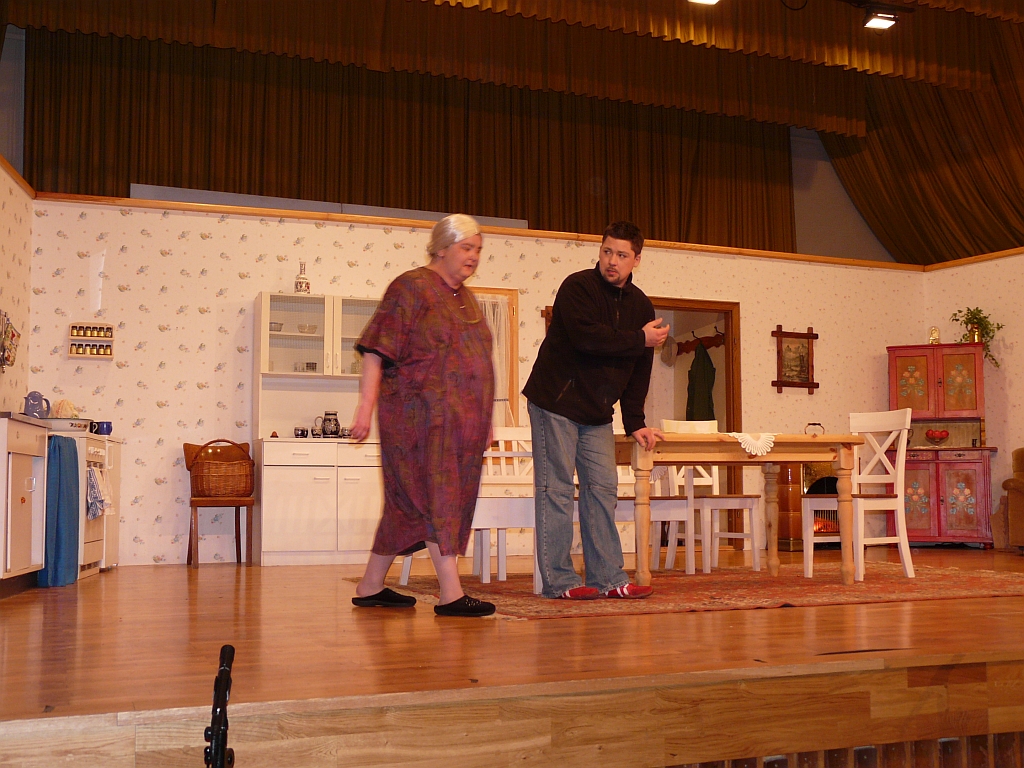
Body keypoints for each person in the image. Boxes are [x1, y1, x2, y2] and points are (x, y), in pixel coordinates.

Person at [349, 214, 496, 618]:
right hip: (418, 421)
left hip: (460, 425)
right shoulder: (411, 287)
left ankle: (370, 586)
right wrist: (365, 406)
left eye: (478, 250)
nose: (473, 256)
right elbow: (376, 350)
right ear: (442, 247)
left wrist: (485, 418)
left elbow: (477, 360)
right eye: (466, 248)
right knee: (437, 498)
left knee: (407, 507)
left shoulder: (466, 298)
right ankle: (451, 594)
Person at [523, 221, 669, 600]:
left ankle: (608, 578)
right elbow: (588, 339)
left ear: (636, 259)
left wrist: (635, 421)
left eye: (621, 255)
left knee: (603, 489)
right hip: (555, 402)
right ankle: (560, 582)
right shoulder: (577, 288)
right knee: (556, 490)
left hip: (597, 413)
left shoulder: (641, 306)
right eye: (607, 252)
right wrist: (640, 338)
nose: (611, 261)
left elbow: (640, 367)